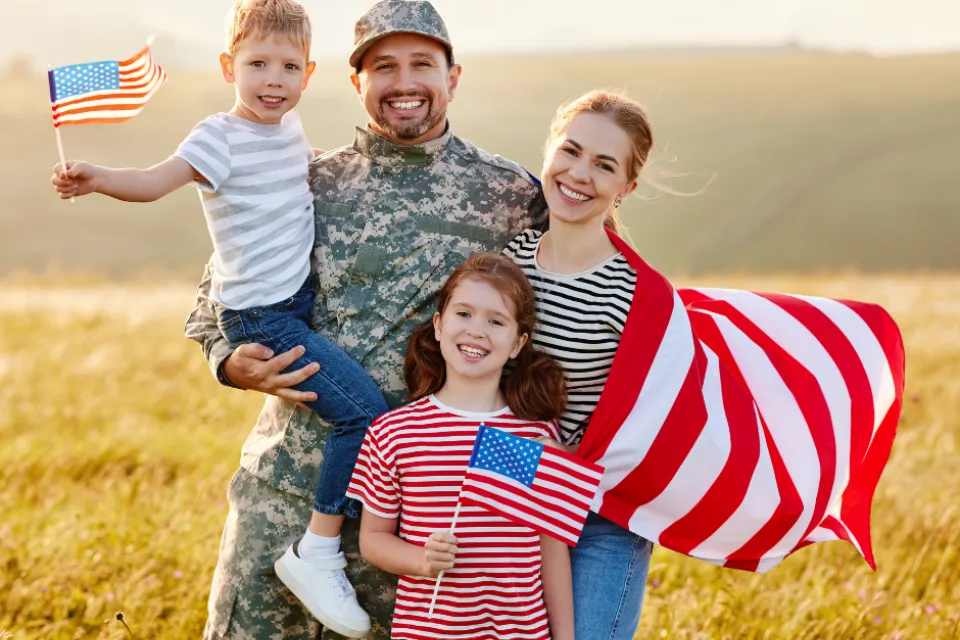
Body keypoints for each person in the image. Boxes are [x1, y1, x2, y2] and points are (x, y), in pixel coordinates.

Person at [183, 1, 547, 637]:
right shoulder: (304, 179)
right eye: (384, 67)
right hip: (285, 495)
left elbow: (549, 316)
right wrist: (228, 361)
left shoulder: (509, 194)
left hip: (417, 515)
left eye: (421, 65)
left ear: (452, 77)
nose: (403, 82)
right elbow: (213, 296)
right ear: (357, 83)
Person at [49, 1, 387, 635]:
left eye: (288, 67)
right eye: (257, 64)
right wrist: (97, 178)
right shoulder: (218, 136)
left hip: (293, 304)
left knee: (356, 407)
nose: (272, 80)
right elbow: (154, 181)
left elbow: (299, 168)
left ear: (308, 74)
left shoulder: (287, 130)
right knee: (364, 412)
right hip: (262, 316)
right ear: (230, 65)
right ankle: (316, 551)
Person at [346, 253, 575, 640]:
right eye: (463, 314)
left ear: (518, 343)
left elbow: (552, 552)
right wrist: (421, 559)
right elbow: (372, 539)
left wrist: (565, 637)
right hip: (430, 631)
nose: (477, 331)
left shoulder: (536, 436)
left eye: (496, 321)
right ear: (438, 325)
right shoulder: (395, 432)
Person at [503, 90, 657, 640]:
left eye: (604, 165)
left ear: (626, 188)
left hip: (601, 517)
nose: (579, 174)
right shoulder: (507, 264)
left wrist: (565, 463)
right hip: (506, 501)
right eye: (570, 151)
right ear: (549, 151)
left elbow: (652, 421)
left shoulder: (638, 295)